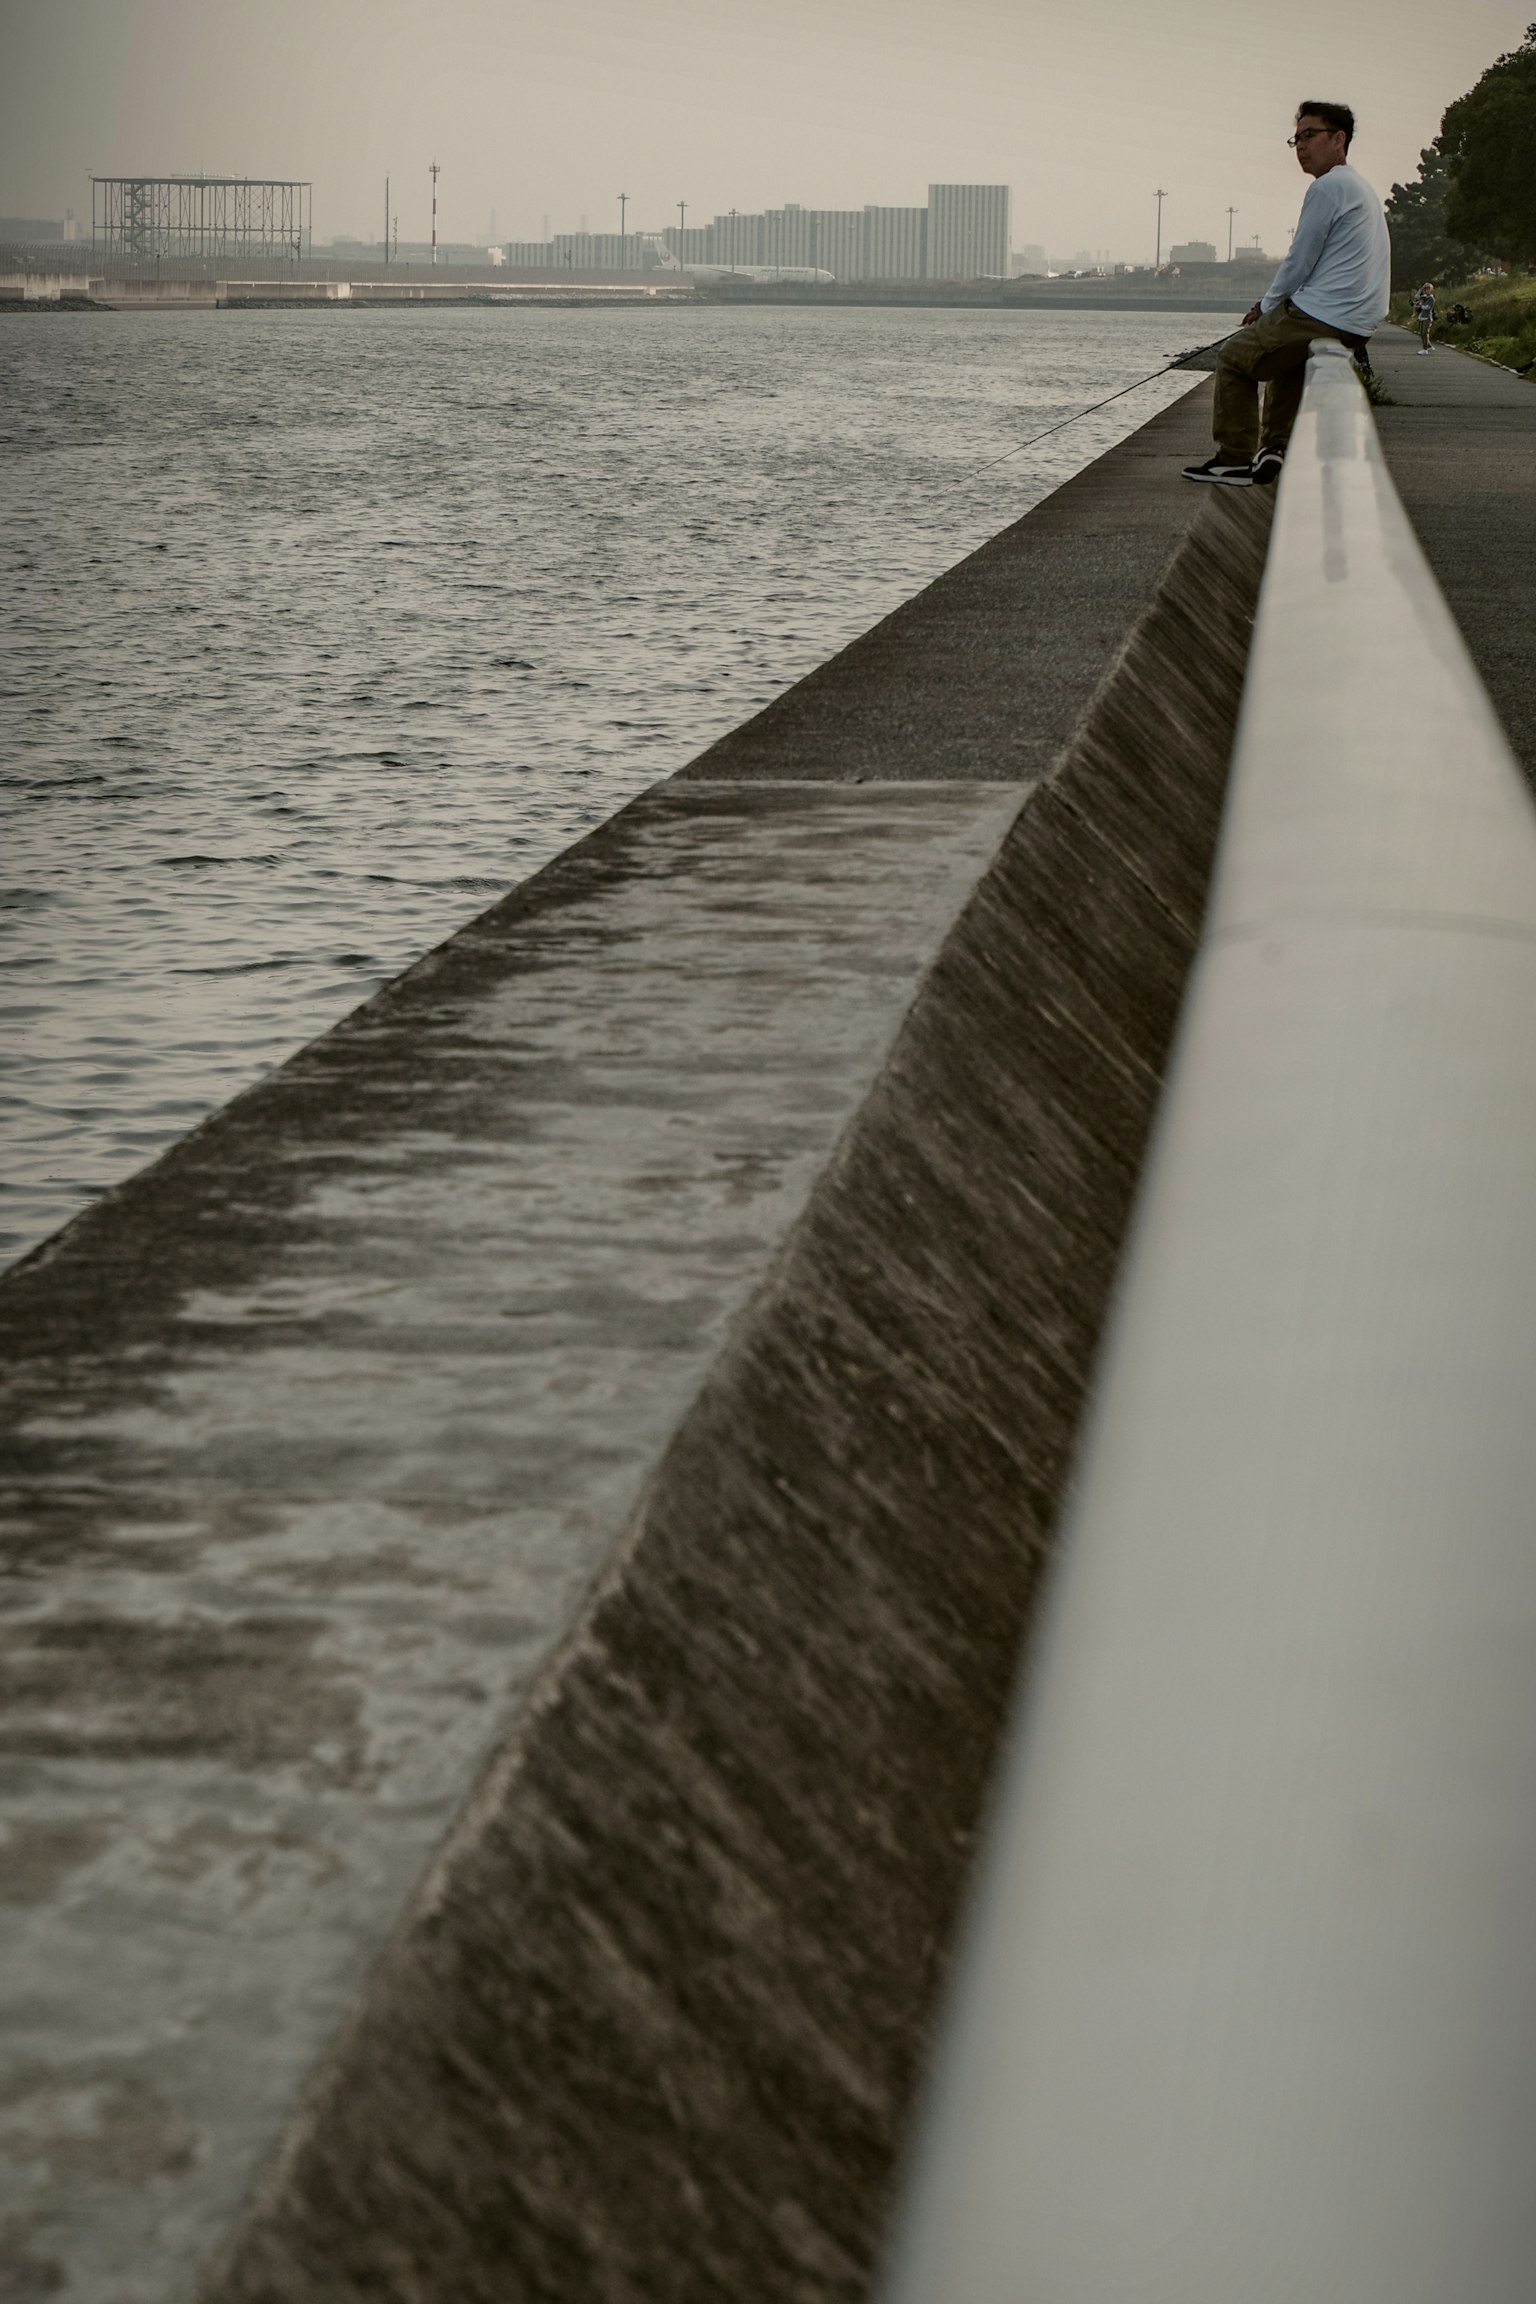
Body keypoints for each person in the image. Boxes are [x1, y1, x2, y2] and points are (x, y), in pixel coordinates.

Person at [1184, 101, 1391, 488]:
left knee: (1233, 358)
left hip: (1327, 312)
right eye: (1296, 139)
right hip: (1358, 319)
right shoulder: (1359, 186)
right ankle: (1273, 449)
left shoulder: (1328, 187)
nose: (1300, 146)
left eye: (1310, 135)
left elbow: (1300, 259)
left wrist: (1265, 305)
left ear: (1339, 139)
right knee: (1286, 360)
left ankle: (1233, 459)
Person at [1413, 279, 1437, 352]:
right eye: (1425, 289)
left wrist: (1419, 306)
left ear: (1431, 290)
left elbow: (1427, 307)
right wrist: (1421, 288)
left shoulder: (1431, 299)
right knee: (1421, 333)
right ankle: (1429, 346)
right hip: (1422, 317)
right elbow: (1416, 296)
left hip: (1427, 318)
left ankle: (1425, 349)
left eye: (1428, 289)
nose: (1426, 290)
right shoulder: (1423, 297)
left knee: (1425, 333)